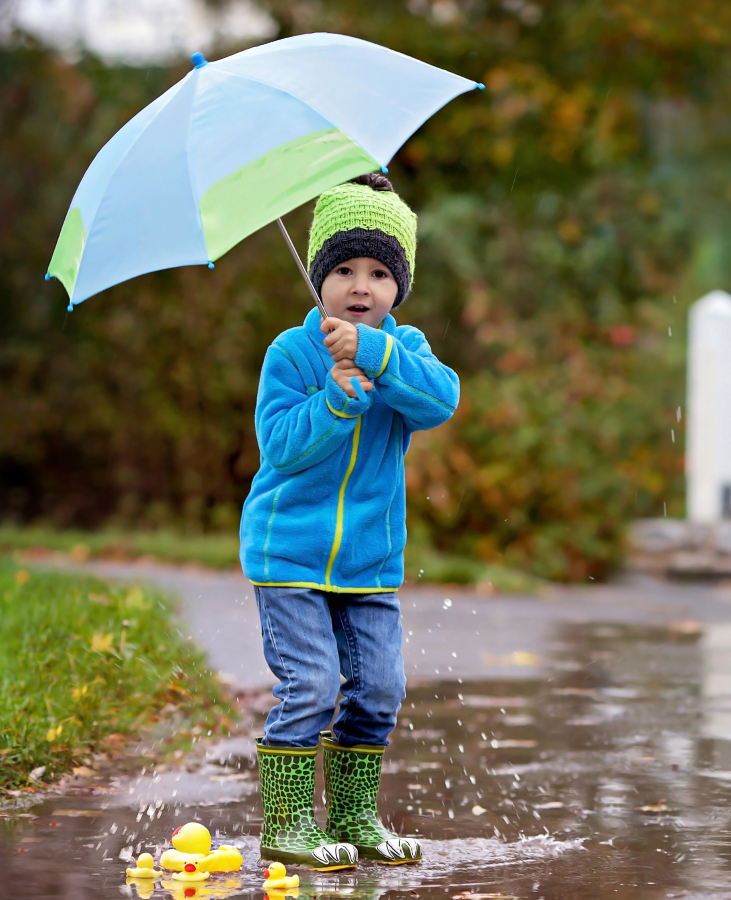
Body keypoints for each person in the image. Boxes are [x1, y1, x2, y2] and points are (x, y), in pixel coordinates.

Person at [238, 173, 459, 869]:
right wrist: (331, 402)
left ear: (399, 287)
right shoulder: (293, 354)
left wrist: (375, 355)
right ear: (317, 275)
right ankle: (288, 822)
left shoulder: (404, 350)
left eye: (378, 273)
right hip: (290, 555)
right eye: (342, 269)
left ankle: (358, 815)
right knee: (310, 683)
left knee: (380, 688)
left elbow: (440, 401)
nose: (360, 286)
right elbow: (280, 447)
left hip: (368, 561)